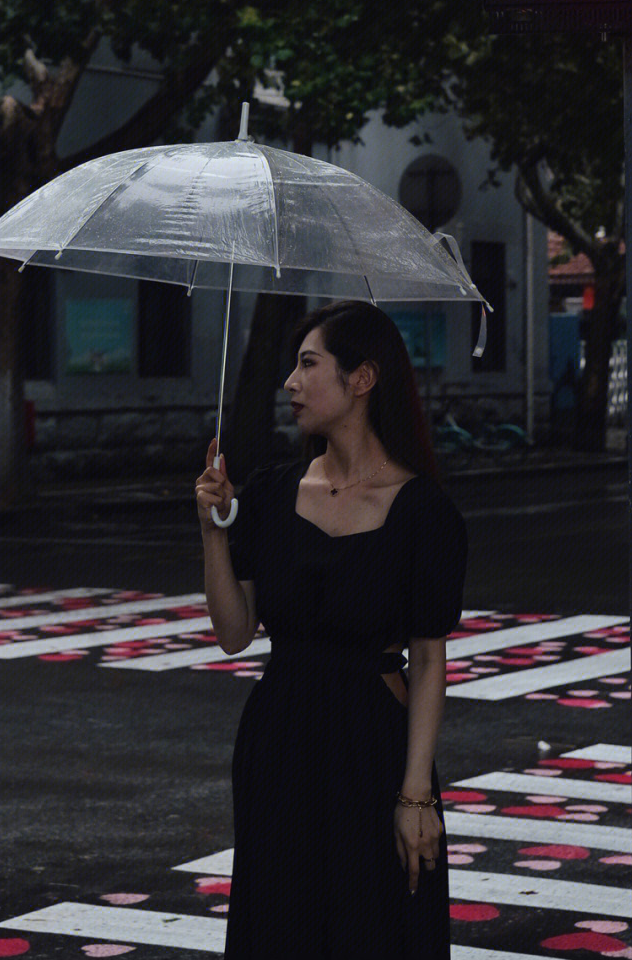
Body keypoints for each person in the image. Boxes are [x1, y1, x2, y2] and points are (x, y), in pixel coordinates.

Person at [194, 300, 467, 959]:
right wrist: (213, 531)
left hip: (370, 746)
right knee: (282, 925)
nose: (290, 382)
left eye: (307, 364)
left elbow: (429, 660)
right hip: (279, 740)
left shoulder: (424, 511)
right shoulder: (269, 492)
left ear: (363, 378)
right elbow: (234, 632)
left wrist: (417, 795)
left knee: (373, 925)